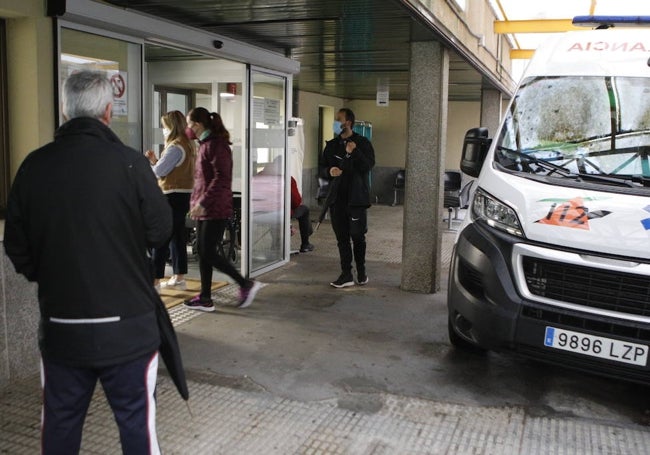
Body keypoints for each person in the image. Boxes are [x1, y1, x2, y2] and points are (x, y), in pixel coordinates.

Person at [4, 70, 172, 454]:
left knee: (60, 427)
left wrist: (47, 275)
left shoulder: (34, 167)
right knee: (137, 427)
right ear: (109, 112)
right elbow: (161, 230)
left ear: (65, 112)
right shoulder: (130, 164)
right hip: (129, 330)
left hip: (63, 328)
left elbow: (16, 244)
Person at [184, 107, 261, 311]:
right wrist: (195, 204)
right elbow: (203, 180)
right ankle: (206, 297)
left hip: (215, 209)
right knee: (202, 251)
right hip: (204, 208)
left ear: (198, 125)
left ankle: (245, 283)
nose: (187, 129)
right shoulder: (204, 145)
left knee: (208, 252)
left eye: (189, 124)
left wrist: (203, 203)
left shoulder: (217, 145)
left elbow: (221, 179)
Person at [320, 108, 375, 288]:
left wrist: (355, 151)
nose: (336, 123)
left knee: (358, 236)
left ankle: (361, 271)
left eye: (338, 120)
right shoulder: (331, 145)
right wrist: (329, 171)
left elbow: (368, 165)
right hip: (337, 199)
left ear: (348, 123)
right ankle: (346, 274)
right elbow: (322, 168)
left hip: (356, 199)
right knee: (342, 238)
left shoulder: (362, 143)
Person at [145, 110, 195, 292]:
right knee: (177, 237)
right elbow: (172, 169)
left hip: (170, 197)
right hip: (182, 196)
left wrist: (149, 165)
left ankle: (155, 281)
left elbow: (160, 172)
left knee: (161, 238)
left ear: (171, 127)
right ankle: (179, 277)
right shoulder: (188, 144)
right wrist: (156, 161)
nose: (163, 130)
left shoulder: (175, 146)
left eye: (164, 126)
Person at [291, 176, 314, 252]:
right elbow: (295, 202)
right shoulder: (288, 178)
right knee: (304, 209)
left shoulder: (258, 176)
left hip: (257, 212)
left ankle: (275, 244)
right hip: (281, 212)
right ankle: (305, 244)